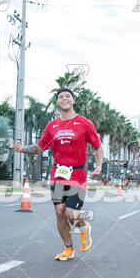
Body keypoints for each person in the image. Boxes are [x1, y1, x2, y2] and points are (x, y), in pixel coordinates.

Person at [14, 88, 104, 260]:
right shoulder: (52, 126)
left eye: (67, 96)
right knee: (59, 212)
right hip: (58, 175)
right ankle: (68, 249)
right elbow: (39, 148)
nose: (64, 99)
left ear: (73, 101)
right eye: (61, 97)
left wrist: (98, 166)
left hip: (77, 174)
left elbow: (98, 146)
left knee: (71, 213)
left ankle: (84, 229)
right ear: (57, 102)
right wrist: (22, 149)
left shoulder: (84, 123)